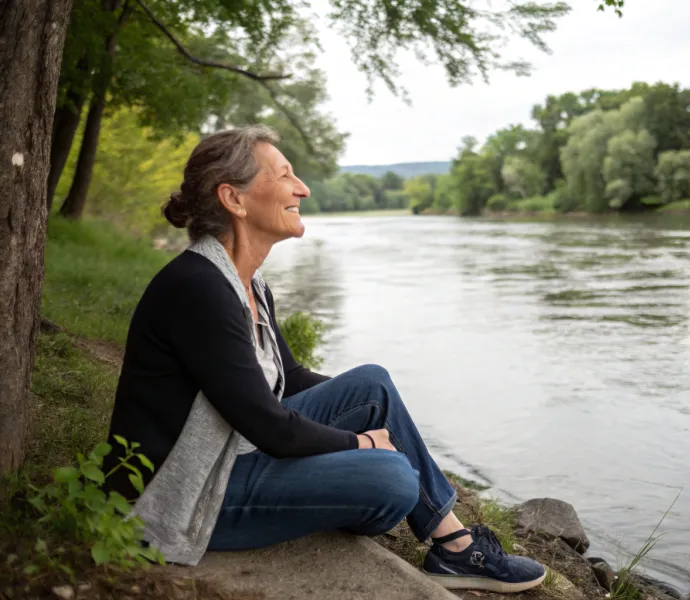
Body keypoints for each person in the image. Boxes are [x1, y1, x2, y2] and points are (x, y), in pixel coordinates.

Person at [102, 125, 546, 593]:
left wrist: (381, 415)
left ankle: (455, 546)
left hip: (232, 454)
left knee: (372, 384)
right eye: (285, 175)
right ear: (234, 199)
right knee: (391, 478)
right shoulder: (200, 288)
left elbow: (289, 380)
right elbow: (269, 425)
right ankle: (382, 505)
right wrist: (361, 445)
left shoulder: (247, 284)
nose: (303, 189)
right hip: (184, 493)